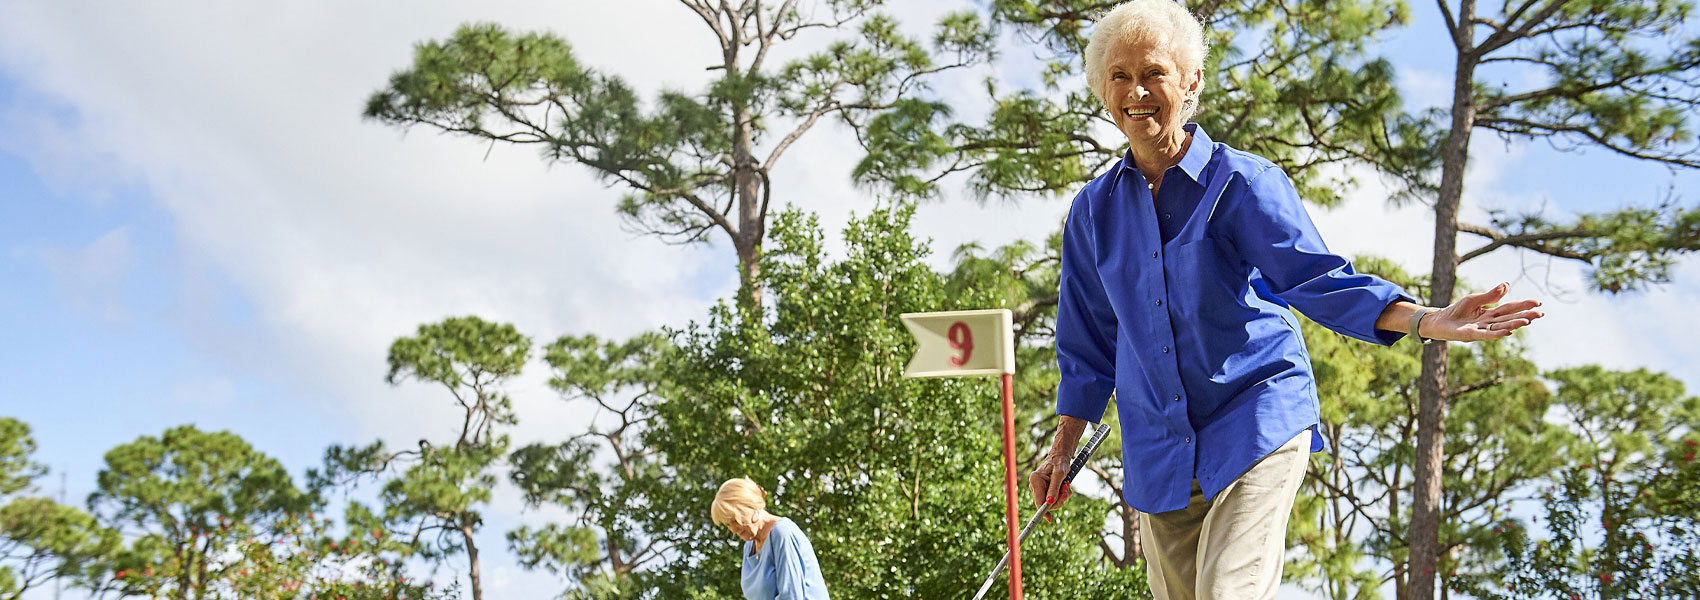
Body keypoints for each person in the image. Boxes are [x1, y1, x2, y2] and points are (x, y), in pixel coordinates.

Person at [1027, 1, 1546, 599]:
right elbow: (1088, 346)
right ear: (1101, 89)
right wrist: (1063, 450)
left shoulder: (1242, 183)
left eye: (1154, 73)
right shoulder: (1093, 212)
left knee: (1231, 592)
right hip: (1159, 449)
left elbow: (1316, 279)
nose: (1137, 91)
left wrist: (1426, 319)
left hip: (1253, 418)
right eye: (1120, 76)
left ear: (1191, 81)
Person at [710, 477, 830, 600]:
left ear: (751, 505)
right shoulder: (749, 546)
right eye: (727, 524)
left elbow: (791, 596)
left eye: (735, 520)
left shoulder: (782, 533)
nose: (733, 529)